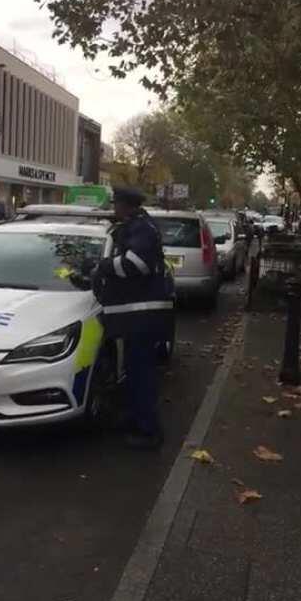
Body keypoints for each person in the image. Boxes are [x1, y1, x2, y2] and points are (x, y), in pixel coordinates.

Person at [92, 187, 174, 449]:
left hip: (143, 315)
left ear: (127, 205)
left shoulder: (142, 230)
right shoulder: (135, 227)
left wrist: (101, 266)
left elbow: (134, 265)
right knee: (134, 372)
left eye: (116, 204)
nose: (113, 208)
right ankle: (135, 419)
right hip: (136, 317)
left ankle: (149, 432)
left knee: (141, 375)